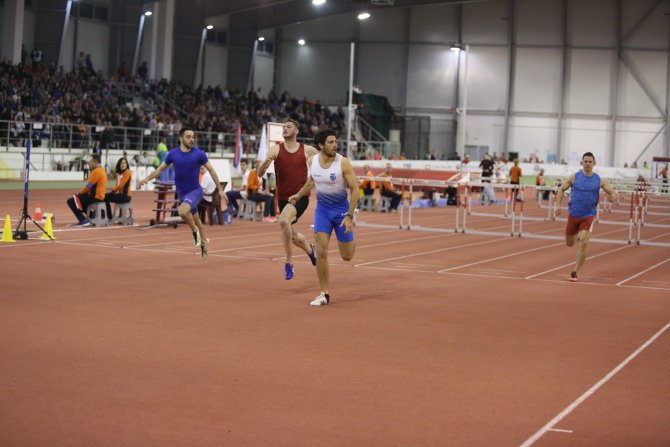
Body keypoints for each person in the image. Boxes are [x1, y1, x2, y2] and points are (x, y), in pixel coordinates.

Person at [288, 129, 359, 306]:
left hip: (342, 212)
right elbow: (312, 181)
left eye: (335, 141)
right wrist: (298, 195)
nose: (335, 145)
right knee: (321, 253)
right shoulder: (312, 161)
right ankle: (324, 293)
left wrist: (350, 215)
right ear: (321, 145)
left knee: (347, 256)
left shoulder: (343, 163)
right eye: (330, 142)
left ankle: (351, 238)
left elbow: (355, 189)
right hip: (322, 212)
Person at [139, 127, 227, 258]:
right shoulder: (173, 154)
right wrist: (147, 178)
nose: (192, 139)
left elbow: (212, 171)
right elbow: (160, 169)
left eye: (193, 137)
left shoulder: (199, 154)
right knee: (197, 220)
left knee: (182, 211)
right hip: (182, 193)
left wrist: (220, 189)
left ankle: (194, 232)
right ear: (181, 138)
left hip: (196, 191)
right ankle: (204, 243)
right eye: (188, 137)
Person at [257, 118, 318, 280]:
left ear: (296, 131)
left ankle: (289, 262)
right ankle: (311, 251)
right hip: (283, 199)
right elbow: (259, 173)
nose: (284, 129)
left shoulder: (307, 150)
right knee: (291, 235)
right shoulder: (276, 149)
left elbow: (325, 162)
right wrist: (265, 163)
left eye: (288, 127)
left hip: (300, 197)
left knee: (283, 221)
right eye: (283, 127)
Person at [555, 152, 618, 282]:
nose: (588, 164)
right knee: (569, 243)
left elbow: (613, 192)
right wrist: (557, 206)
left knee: (584, 242)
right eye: (586, 161)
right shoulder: (574, 177)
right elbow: (561, 189)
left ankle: (575, 272)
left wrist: (613, 197)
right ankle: (577, 233)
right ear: (582, 162)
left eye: (590, 161)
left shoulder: (599, 180)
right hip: (573, 215)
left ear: (594, 163)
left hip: (588, 216)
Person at [66, 154, 107, 227]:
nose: (89, 164)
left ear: (94, 161)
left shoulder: (96, 171)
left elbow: (88, 186)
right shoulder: (102, 170)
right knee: (81, 200)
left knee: (71, 201)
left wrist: (79, 193)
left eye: (90, 162)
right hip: (99, 196)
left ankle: (82, 220)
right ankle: (92, 216)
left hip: (96, 197)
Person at [104, 157, 132, 222]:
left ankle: (109, 217)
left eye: (124, 163)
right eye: (121, 163)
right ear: (119, 165)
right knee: (105, 196)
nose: (123, 164)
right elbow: (117, 185)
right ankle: (118, 217)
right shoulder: (119, 174)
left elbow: (121, 185)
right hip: (121, 195)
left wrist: (112, 191)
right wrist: (112, 191)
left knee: (104, 197)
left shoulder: (128, 173)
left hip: (126, 196)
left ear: (127, 164)